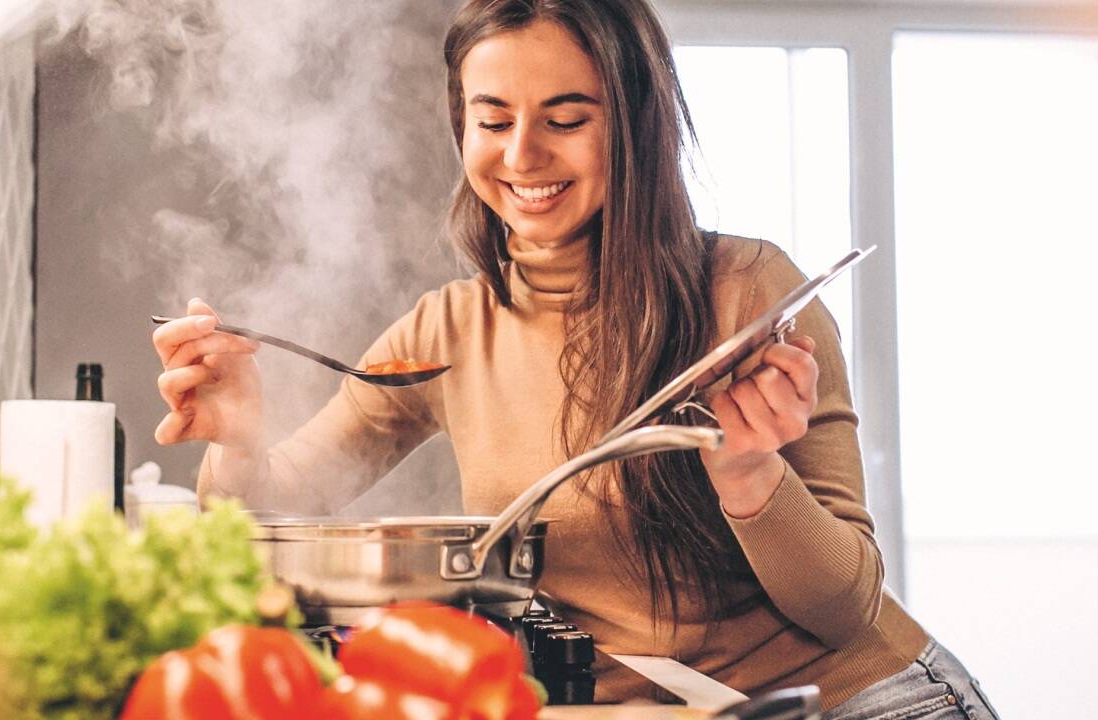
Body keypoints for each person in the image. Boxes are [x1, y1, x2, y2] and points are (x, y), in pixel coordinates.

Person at [151, 1, 1001, 717]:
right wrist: (236, 439)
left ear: (633, 126)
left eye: (565, 120)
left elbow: (847, 609)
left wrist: (751, 477)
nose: (522, 155)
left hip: (864, 699)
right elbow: (271, 511)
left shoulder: (746, 288)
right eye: (492, 120)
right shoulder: (445, 331)